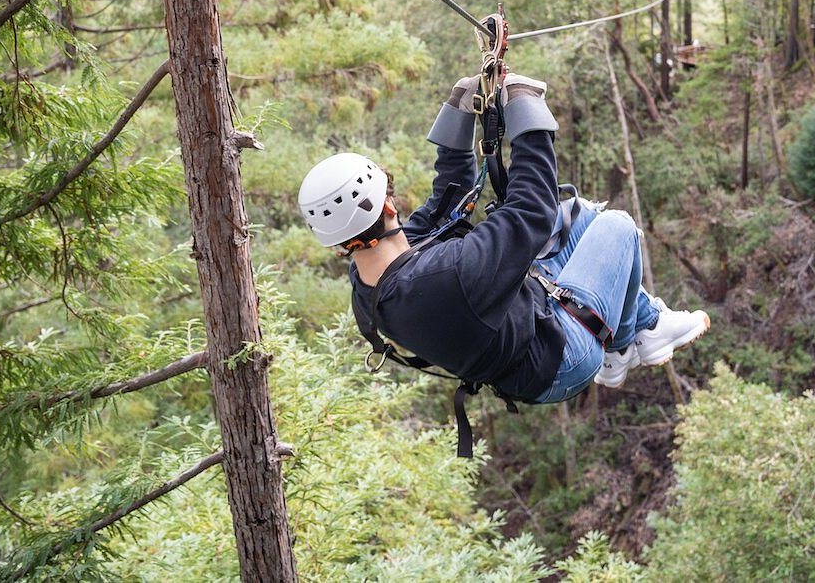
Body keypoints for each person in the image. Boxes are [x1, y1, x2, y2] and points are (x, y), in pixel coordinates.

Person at [297, 71, 710, 445]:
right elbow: (529, 209)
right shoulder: (445, 277)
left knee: (579, 216)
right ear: (388, 208)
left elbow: (449, 202)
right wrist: (526, 110)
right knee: (617, 228)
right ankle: (625, 342)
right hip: (562, 359)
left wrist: (459, 110)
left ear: (339, 244)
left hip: (524, 327)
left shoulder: (370, 280)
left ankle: (642, 325)